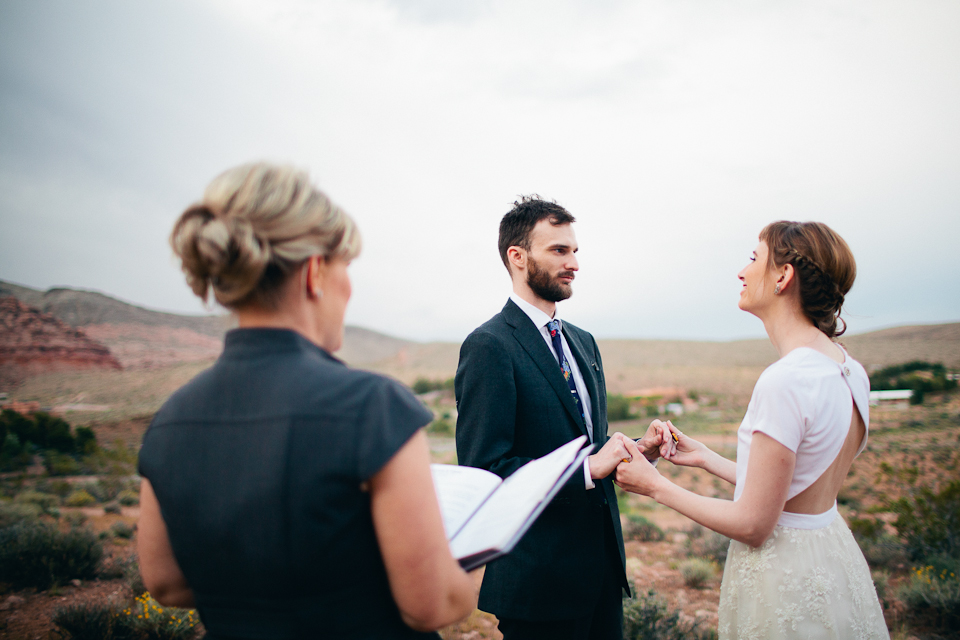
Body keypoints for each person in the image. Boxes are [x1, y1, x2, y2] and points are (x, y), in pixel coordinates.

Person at [137, 162, 477, 639]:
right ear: (316, 272)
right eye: (348, 268)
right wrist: (484, 554)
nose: (350, 288)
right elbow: (433, 604)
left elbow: (167, 583)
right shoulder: (372, 407)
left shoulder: (170, 420)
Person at [615, 221, 889, 639]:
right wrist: (707, 459)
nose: (742, 272)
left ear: (784, 276)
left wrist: (654, 486)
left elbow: (753, 524)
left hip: (785, 576)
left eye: (753, 258)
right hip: (831, 558)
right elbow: (796, 488)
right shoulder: (849, 370)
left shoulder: (786, 380)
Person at [454, 196, 668, 640]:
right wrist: (589, 469)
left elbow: (582, 440)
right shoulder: (489, 346)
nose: (573, 263)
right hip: (538, 585)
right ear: (517, 256)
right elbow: (485, 471)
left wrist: (631, 451)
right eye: (558, 251)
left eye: (574, 251)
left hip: (603, 574)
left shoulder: (584, 342)